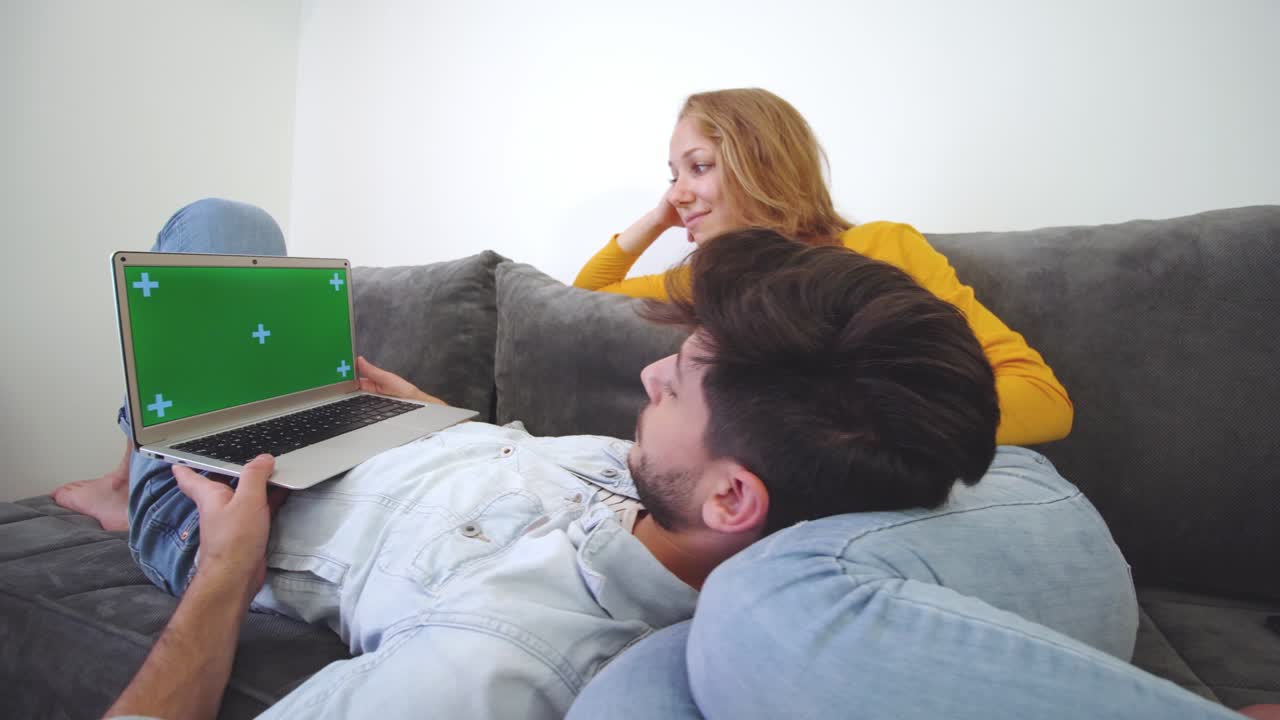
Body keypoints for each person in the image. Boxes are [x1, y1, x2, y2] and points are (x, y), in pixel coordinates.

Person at [99, 200, 1065, 719]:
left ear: (734, 496)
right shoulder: (687, 491)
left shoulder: (498, 661)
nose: (649, 376)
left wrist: (225, 569)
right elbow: (512, 456)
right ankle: (145, 432)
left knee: (217, 232)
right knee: (238, 289)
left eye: (679, 383)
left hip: (225, 512)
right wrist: (417, 413)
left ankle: (133, 478)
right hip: (389, 437)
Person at [574, 87, 1072, 447]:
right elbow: (587, 293)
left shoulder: (880, 247)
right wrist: (661, 217)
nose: (677, 192)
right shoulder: (707, 280)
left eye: (700, 166)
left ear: (762, 164)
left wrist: (862, 442)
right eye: (672, 175)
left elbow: (1042, 397)